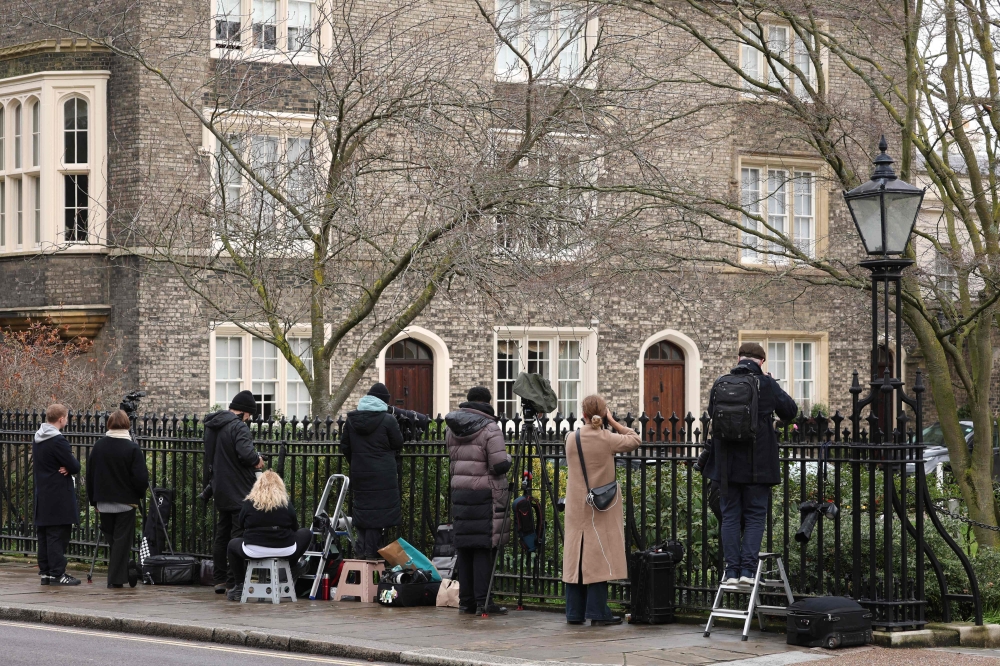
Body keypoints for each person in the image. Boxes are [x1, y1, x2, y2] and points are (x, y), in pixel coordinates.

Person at [703, 342, 798, 585]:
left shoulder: (721, 382)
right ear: (762, 361)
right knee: (756, 515)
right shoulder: (766, 383)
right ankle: (747, 571)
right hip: (758, 464)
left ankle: (731, 572)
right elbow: (790, 411)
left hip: (726, 465)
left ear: (738, 358)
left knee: (730, 515)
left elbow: (712, 413)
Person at [562, 395, 641, 626]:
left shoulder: (571, 438)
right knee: (598, 554)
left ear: (583, 414)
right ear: (602, 413)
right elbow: (635, 439)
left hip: (576, 505)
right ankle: (597, 611)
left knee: (575, 555)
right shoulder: (608, 438)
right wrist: (613, 421)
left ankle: (574, 612)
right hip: (600, 505)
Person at [445, 386, 511, 615]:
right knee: (483, 548)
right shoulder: (490, 428)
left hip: (461, 493)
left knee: (465, 548)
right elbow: (498, 465)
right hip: (485, 494)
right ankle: (484, 601)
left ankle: (467, 602)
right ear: (487, 402)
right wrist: (509, 457)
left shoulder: (452, 428)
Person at [203, 390, 265, 594]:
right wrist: (258, 460)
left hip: (220, 487)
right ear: (245, 412)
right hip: (239, 489)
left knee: (222, 534)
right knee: (238, 535)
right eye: (250, 416)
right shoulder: (238, 427)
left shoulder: (213, 426)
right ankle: (234, 581)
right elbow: (246, 455)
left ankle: (219, 579)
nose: (249, 420)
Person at [225, 470, 313, 601]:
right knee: (306, 533)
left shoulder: (249, 503)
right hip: (284, 549)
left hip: (254, 550)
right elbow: (295, 528)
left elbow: (241, 524)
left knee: (232, 545)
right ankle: (292, 567)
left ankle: (239, 585)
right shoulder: (285, 504)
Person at [86, 409, 149, 588]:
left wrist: (93, 501)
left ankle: (122, 573)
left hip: (103, 502)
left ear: (109, 425)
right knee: (121, 541)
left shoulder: (99, 446)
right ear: (127, 425)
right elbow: (141, 478)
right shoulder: (132, 448)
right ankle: (115, 579)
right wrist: (138, 495)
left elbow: (90, 475)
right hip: (126, 502)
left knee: (114, 540)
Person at [341, 383, 404, 560]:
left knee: (364, 512)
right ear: (383, 402)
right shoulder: (388, 420)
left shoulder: (352, 420)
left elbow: (345, 446)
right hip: (383, 474)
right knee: (379, 515)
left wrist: (357, 462)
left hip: (360, 473)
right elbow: (398, 443)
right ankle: (372, 555)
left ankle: (362, 553)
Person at [32, 403, 82, 586]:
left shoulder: (38, 438)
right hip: (58, 494)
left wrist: (64, 467)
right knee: (57, 534)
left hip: (42, 492)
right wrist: (68, 468)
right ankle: (57, 573)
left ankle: (45, 572)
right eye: (66, 418)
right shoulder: (58, 440)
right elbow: (75, 466)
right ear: (61, 419)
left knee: (44, 534)